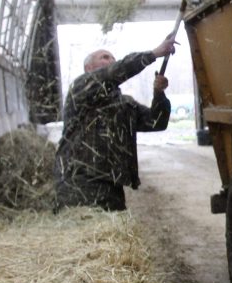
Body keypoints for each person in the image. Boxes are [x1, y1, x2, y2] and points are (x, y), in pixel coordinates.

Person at [54, 35, 177, 211]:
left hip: (111, 187)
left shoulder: (125, 103)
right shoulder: (81, 87)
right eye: (104, 57)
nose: (111, 60)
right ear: (89, 68)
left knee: (112, 237)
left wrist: (158, 94)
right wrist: (155, 53)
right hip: (78, 183)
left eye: (113, 57)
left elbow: (156, 122)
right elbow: (118, 70)